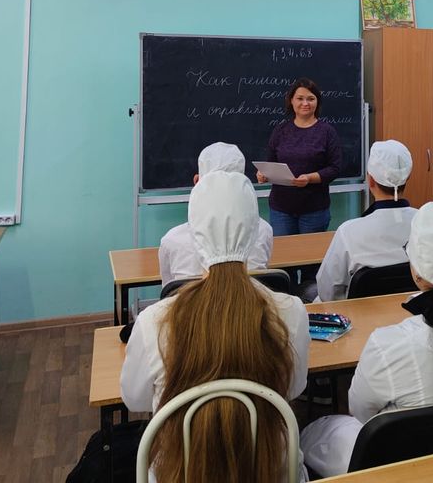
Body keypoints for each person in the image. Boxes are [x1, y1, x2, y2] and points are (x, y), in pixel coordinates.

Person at [299, 202, 433, 478]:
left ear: (418, 273)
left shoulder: (387, 344)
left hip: (397, 465)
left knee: (314, 432)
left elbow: (360, 411)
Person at [121, 171, 310, 482]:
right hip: (270, 469)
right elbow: (295, 388)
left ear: (194, 232)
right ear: (255, 230)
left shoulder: (154, 321)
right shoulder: (292, 310)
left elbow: (134, 399)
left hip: (179, 472)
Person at [157, 142, 273, 288]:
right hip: (253, 302)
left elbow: (168, 292)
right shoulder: (263, 230)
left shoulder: (172, 240)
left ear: (197, 182)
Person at [313, 140, 416, 302]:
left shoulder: (348, 232)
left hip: (359, 316)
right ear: (408, 177)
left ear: (371, 180)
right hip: (413, 312)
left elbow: (327, 291)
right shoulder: (427, 223)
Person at [258, 77, 343, 235]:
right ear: (291, 101)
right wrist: (263, 174)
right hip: (281, 209)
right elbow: (270, 163)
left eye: (311, 99)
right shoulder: (280, 130)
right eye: (300, 98)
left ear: (317, 102)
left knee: (310, 251)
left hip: (314, 210)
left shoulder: (327, 132)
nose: (305, 103)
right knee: (284, 250)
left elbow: (335, 168)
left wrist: (310, 178)